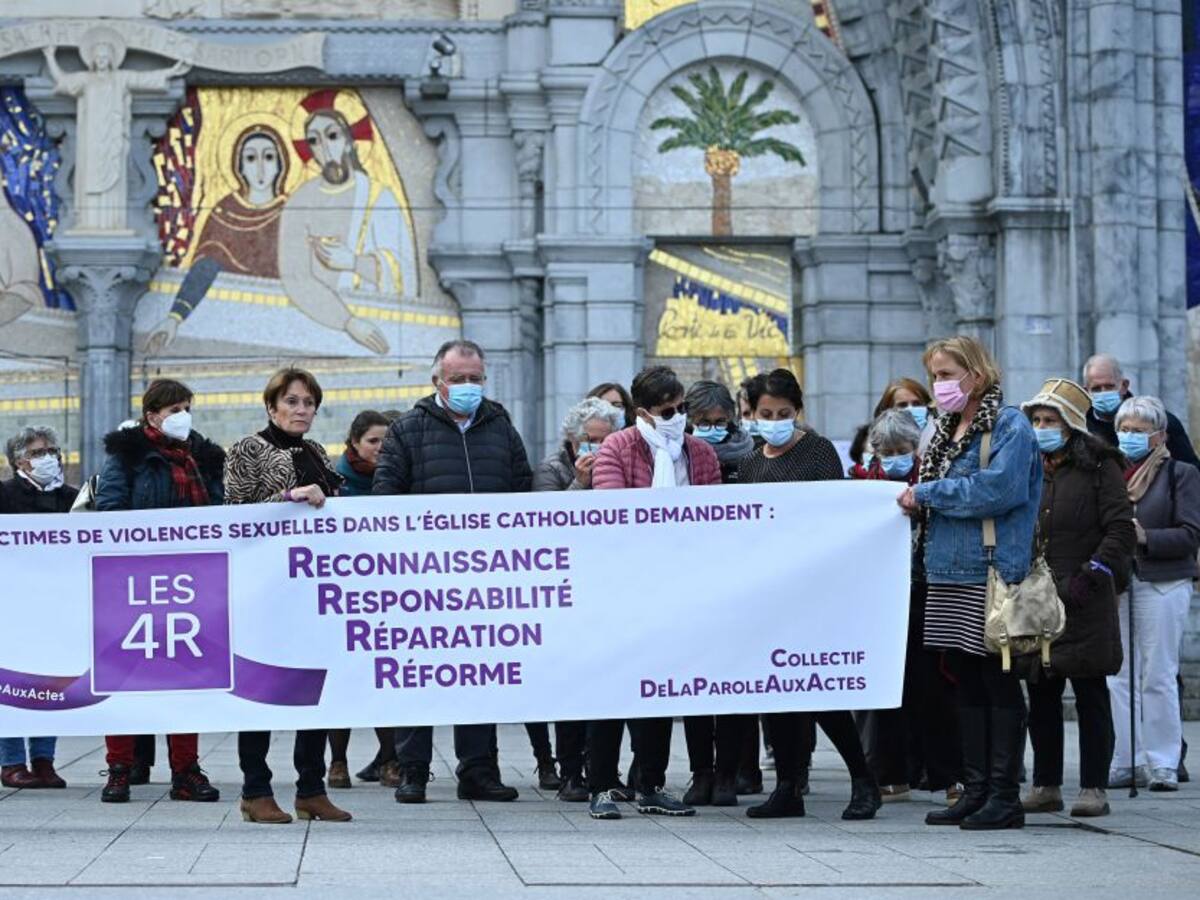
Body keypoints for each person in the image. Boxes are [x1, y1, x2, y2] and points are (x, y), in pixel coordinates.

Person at [374, 340, 533, 804]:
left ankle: (479, 770)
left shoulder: (500, 426)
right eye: (458, 379)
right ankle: (413, 770)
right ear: (437, 381)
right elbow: (386, 496)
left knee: (479, 672)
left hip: (485, 576)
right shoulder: (408, 430)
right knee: (419, 672)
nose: (468, 387)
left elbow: (522, 492)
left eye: (475, 379)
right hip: (422, 576)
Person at [898, 336, 1042, 831]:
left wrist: (927, 493)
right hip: (944, 571)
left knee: (997, 681)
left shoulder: (1010, 425)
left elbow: (999, 490)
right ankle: (975, 789)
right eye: (935, 375)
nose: (939, 385)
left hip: (990, 572)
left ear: (976, 376)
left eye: (945, 374)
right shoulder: (943, 431)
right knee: (964, 683)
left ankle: (1004, 795)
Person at [735, 369, 882, 821]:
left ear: (798, 411)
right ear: (752, 413)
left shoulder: (816, 451)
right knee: (777, 692)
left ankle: (863, 780)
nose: (775, 420)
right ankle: (787, 786)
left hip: (812, 588)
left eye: (784, 413)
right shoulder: (750, 462)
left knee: (817, 688)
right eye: (766, 413)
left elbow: (830, 514)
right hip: (768, 591)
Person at [586, 365, 722, 820]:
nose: (679, 416)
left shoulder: (699, 453)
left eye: (683, 407)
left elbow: (715, 516)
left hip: (681, 588)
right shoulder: (616, 448)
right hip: (624, 588)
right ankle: (602, 785)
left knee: (660, 689)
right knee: (611, 689)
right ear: (643, 412)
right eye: (669, 410)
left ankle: (650, 783)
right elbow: (613, 515)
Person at [225, 367, 351, 824]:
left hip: (311, 587)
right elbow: (235, 513)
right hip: (264, 588)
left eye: (309, 403)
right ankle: (254, 789)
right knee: (261, 687)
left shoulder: (316, 451)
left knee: (314, 687)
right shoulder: (247, 448)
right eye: (293, 401)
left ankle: (310, 787)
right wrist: (291, 496)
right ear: (272, 406)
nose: (302, 410)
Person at [93, 380, 224, 806]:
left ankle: (185, 771)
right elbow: (110, 511)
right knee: (125, 678)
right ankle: (119, 769)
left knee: (185, 678)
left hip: (189, 585)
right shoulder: (127, 455)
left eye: (187, 407)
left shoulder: (204, 457)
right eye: (173, 409)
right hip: (133, 584)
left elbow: (220, 512)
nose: (182, 415)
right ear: (151, 415)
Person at [1018, 379, 1135, 818]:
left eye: (1050, 420)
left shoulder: (1101, 467)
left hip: (1085, 596)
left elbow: (1120, 529)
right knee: (1041, 693)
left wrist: (1094, 573)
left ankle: (1093, 788)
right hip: (1038, 599)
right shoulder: (1030, 465)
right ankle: (1046, 784)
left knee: (1089, 693)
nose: (1041, 427)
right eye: (1037, 420)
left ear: (1070, 424)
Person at [850, 410, 961, 805]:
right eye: (889, 451)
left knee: (931, 686)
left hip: (924, 590)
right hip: (879, 597)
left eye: (904, 450)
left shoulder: (931, 481)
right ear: (875, 453)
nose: (897, 457)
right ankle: (889, 774)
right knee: (883, 691)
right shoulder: (863, 486)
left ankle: (949, 775)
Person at [531, 396, 625, 802]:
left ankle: (605, 770)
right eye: (590, 442)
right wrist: (580, 486)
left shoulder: (620, 464)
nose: (599, 450)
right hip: (563, 591)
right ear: (572, 442)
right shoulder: (551, 470)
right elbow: (543, 523)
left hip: (607, 588)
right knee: (572, 685)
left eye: (607, 441)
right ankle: (571, 771)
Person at [1107, 396, 1200, 792]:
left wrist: (1146, 537)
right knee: (1118, 675)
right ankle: (1124, 758)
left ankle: (1161, 761)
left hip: (1163, 580)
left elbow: (1190, 534)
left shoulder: (1179, 473)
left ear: (1160, 435)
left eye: (1139, 431)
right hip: (1118, 583)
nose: (1129, 437)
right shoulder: (1110, 472)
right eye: (1124, 430)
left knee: (1157, 674)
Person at [679, 380, 759, 805]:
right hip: (692, 581)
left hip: (741, 583)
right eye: (702, 422)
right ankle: (701, 773)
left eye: (719, 422)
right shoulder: (680, 457)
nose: (712, 429)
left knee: (736, 684)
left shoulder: (751, 456)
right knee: (695, 683)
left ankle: (730, 773)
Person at [0, 426, 77, 789]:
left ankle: (44, 760)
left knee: (51, 682)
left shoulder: (73, 499)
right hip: (11, 605)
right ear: (18, 460)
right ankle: (11, 761)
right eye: (39, 452)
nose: (50, 458)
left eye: (53, 451)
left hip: (57, 605)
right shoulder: (3, 495)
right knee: (10, 684)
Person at [327, 410, 396, 789]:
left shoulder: (396, 479)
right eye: (372, 441)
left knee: (384, 679)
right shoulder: (335, 481)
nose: (380, 448)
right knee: (341, 682)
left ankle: (390, 759)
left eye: (386, 441)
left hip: (386, 595)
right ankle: (337, 762)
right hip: (343, 596)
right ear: (354, 442)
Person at [1083, 354, 1200, 470]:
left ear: (1124, 386)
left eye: (1109, 387)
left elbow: (1191, 472)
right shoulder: (1079, 428)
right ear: (1086, 391)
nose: (1103, 393)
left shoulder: (1159, 422)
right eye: (1096, 389)